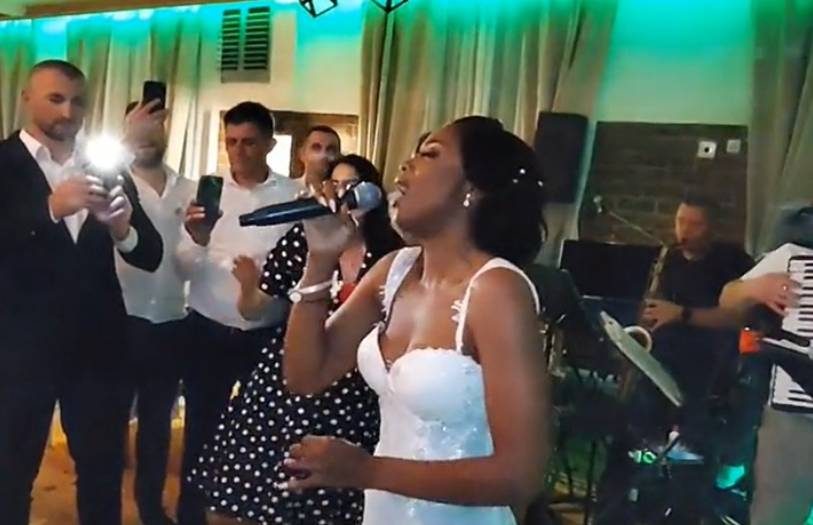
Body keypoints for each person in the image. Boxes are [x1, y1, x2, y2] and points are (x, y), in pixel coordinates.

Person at [282, 116, 551, 525]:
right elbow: (305, 375)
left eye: (429, 154)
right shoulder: (395, 270)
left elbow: (520, 475)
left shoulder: (497, 290)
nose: (406, 164)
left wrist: (367, 471)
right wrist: (319, 259)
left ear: (472, 188)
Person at [190, 153, 402, 524]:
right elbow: (255, 308)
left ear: (372, 194)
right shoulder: (302, 240)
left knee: (328, 499)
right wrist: (247, 286)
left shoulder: (391, 253)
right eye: (334, 185)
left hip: (353, 393)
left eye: (351, 186)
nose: (341, 195)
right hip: (288, 377)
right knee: (250, 490)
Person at [0, 60, 163, 525]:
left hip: (98, 348)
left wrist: (124, 230)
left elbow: (149, 253)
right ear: (27, 98)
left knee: (103, 472)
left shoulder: (104, 168)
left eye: (78, 101)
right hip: (17, 349)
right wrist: (50, 208)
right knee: (10, 473)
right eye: (56, 98)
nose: (68, 111)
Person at [175, 101, 301, 525]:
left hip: (267, 335)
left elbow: (299, 267)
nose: (239, 151)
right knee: (200, 428)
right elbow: (181, 269)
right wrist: (197, 238)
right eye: (231, 141)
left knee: (261, 435)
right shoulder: (204, 193)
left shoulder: (292, 196)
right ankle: (192, 516)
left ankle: (252, 515)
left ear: (269, 144)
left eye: (249, 142)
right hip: (207, 330)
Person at [115, 100, 196, 525]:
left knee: (157, 425)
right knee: (107, 422)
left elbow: (195, 253)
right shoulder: (109, 183)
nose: (148, 136)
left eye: (156, 125)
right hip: (117, 320)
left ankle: (150, 507)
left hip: (171, 320)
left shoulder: (190, 189)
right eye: (139, 127)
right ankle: (103, 507)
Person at [719, 204, 813, 525]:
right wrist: (754, 288)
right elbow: (728, 297)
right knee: (776, 514)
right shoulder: (798, 249)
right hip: (794, 413)